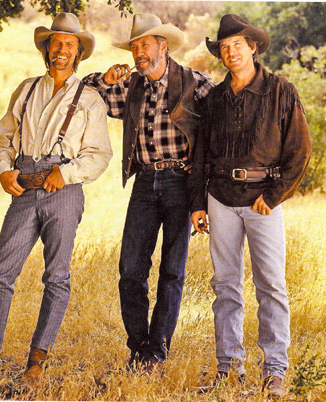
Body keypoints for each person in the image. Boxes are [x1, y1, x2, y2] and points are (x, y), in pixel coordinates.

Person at [0, 12, 112, 389]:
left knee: (56, 277)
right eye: (55, 44)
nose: (61, 51)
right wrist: (3, 170)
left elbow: (99, 154)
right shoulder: (26, 89)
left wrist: (67, 173)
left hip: (64, 188)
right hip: (25, 186)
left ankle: (36, 362)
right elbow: (4, 138)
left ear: (79, 54)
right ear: (47, 50)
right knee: (0, 274)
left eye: (69, 46)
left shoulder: (91, 98)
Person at [83, 13, 216, 372]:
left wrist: (204, 185)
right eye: (135, 46)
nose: (139, 52)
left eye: (145, 44)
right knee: (130, 269)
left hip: (181, 182)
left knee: (172, 271)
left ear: (163, 46)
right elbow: (84, 93)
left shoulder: (196, 84)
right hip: (144, 182)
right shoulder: (131, 86)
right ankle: (138, 343)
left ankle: (157, 348)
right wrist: (104, 77)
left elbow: (222, 125)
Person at [188, 14, 311, 397]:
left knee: (271, 285)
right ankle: (228, 368)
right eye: (224, 48)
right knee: (225, 286)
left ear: (253, 48)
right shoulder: (213, 99)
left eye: (237, 45)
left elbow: (300, 150)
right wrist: (198, 203)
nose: (230, 52)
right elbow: (200, 155)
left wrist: (273, 197)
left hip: (263, 201)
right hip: (220, 199)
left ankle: (274, 370)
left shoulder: (281, 91)